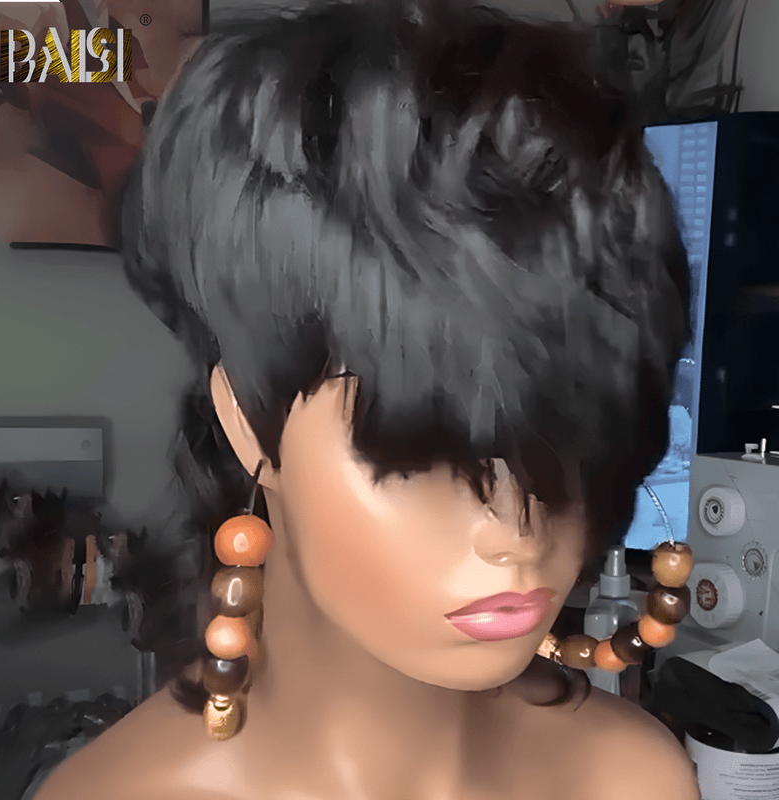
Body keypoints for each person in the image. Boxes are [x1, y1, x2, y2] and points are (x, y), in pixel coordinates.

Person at [35, 1, 700, 797]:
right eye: (419, 457)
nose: (517, 531)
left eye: (566, 434)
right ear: (247, 421)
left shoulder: (634, 780)